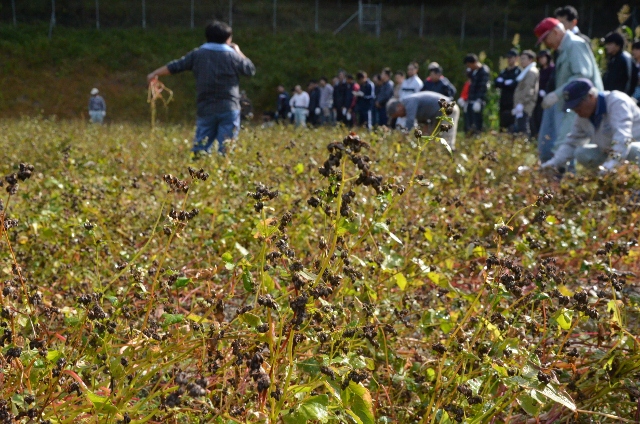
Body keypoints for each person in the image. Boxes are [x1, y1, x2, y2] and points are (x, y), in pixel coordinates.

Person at [147, 20, 255, 157]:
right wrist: (238, 51)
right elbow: (250, 69)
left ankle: (198, 174)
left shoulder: (198, 54)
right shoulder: (233, 56)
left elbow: (176, 66)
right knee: (226, 149)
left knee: (200, 147)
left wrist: (154, 73)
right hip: (229, 107)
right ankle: (225, 172)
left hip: (206, 107)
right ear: (228, 39)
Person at [534, 17, 603, 168]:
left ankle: (564, 183)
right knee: (564, 143)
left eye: (546, 38)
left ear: (556, 32)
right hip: (575, 104)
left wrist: (557, 94)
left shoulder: (574, 45)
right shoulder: (564, 48)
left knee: (565, 144)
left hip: (583, 102)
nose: (546, 43)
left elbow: (581, 76)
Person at [541, 78, 640, 172]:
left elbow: (623, 139)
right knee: (582, 153)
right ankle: (609, 182)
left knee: (634, 150)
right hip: (612, 153)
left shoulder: (617, 102)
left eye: (577, 106)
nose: (576, 111)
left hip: (632, 148)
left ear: (591, 96)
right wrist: (552, 164)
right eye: (573, 108)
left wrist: (609, 167)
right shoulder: (582, 116)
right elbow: (572, 143)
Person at [386, 92, 460, 150]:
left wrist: (404, 137)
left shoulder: (410, 102)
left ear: (399, 107)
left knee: (446, 139)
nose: (401, 117)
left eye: (399, 115)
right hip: (436, 115)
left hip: (448, 109)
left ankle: (451, 158)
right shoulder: (409, 103)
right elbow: (423, 121)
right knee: (431, 138)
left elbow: (410, 121)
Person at [512, 50, 539, 135]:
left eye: (524, 59)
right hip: (522, 105)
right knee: (521, 126)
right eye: (521, 59)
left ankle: (525, 145)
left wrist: (521, 103)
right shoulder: (527, 71)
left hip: (525, 105)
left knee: (523, 128)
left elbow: (528, 90)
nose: (521, 61)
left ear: (530, 60)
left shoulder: (531, 72)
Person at [602, 31, 638, 96]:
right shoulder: (613, 59)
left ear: (618, 45)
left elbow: (630, 81)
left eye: (610, 44)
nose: (607, 47)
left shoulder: (624, 59)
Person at [495, 49, 521, 131]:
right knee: (502, 122)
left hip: (513, 100)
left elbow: (514, 85)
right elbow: (497, 83)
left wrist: (505, 83)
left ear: (516, 58)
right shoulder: (504, 71)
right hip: (503, 100)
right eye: (508, 58)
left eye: (511, 57)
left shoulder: (518, 71)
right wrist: (505, 83)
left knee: (512, 122)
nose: (509, 60)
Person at [464, 53, 491, 133]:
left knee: (477, 122)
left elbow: (483, 87)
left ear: (474, 62)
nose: (469, 67)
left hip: (478, 101)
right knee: (469, 122)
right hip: (471, 99)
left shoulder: (483, 71)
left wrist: (479, 100)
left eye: (469, 65)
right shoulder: (473, 72)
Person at [532, 50, 554, 138]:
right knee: (537, 118)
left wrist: (546, 91)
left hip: (548, 96)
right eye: (540, 58)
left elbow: (552, 82)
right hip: (539, 98)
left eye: (543, 58)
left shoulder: (552, 69)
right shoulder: (540, 70)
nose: (541, 60)